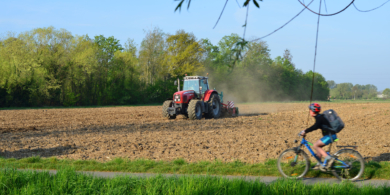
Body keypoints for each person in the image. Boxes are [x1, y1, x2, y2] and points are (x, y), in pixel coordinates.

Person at [300, 103, 337, 170]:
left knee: (315, 145)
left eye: (310, 110)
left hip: (330, 136)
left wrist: (305, 131)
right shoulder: (320, 117)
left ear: (313, 111)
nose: (309, 112)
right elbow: (315, 126)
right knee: (318, 146)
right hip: (330, 135)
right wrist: (306, 130)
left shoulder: (319, 118)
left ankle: (329, 159)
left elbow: (315, 126)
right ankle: (319, 164)